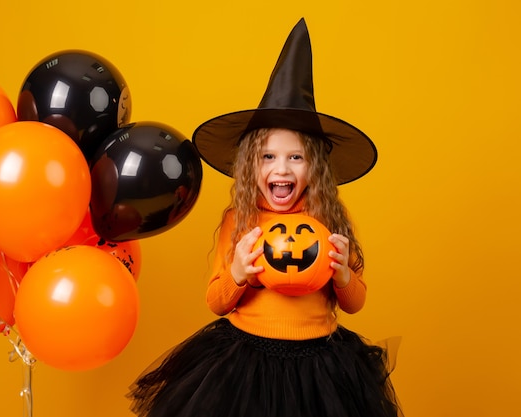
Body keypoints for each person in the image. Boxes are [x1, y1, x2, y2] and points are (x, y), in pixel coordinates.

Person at [128, 18, 402, 417]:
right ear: (250, 165)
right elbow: (216, 301)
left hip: (319, 365)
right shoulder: (239, 219)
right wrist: (238, 271)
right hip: (246, 360)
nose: (282, 170)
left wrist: (343, 276)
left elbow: (356, 301)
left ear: (316, 168)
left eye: (296, 158)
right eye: (268, 157)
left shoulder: (328, 219)